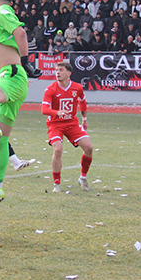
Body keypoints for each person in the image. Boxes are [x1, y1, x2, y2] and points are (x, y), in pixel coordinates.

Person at [0, 0, 41, 207]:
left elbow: (21, 33)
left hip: (13, 75)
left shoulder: (0, 12)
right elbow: (9, 49)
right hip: (13, 75)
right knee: (1, 142)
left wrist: (25, 63)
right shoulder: (6, 15)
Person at [41, 61, 92, 193]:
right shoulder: (50, 89)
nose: (57, 72)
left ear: (68, 73)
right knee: (58, 150)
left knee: (89, 148)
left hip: (72, 123)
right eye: (56, 70)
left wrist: (84, 119)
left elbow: (83, 102)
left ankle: (83, 177)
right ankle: (57, 184)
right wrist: (56, 112)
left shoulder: (77, 87)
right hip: (55, 124)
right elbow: (44, 109)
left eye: (61, 70)